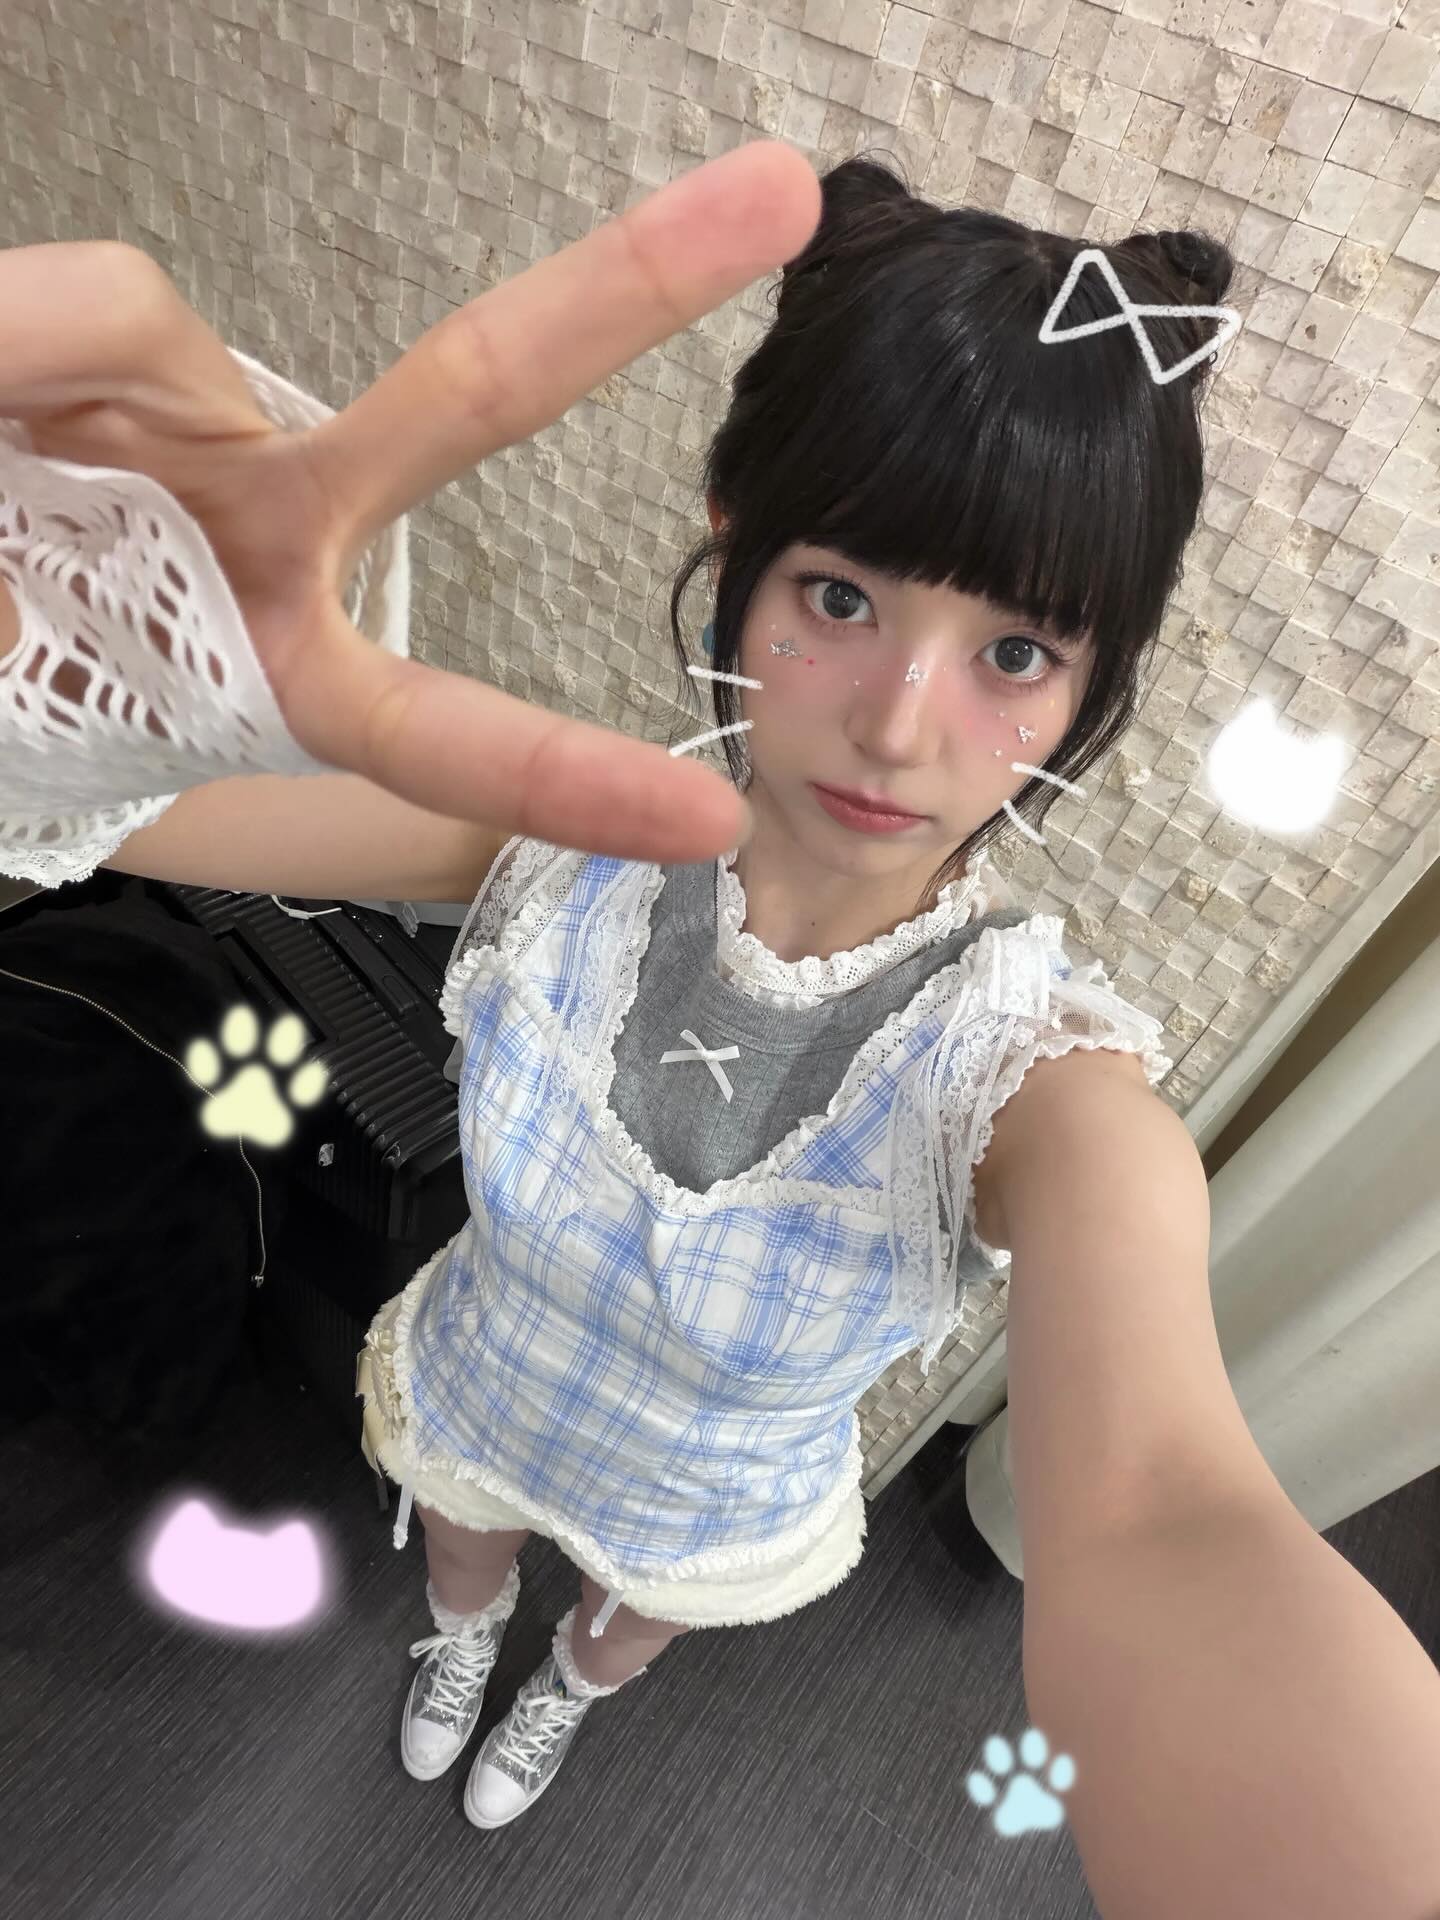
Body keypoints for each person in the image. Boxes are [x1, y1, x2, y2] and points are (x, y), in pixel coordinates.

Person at [2, 144, 1438, 1917]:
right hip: (496, 1378)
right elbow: (127, 820)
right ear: (735, 559)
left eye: (1014, 655)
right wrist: (111, 672)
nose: (898, 726)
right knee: (462, 1542)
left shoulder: (1034, 1086)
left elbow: (1156, 1509)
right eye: (841, 598)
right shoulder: (559, 843)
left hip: (707, 1499)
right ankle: (464, 1641)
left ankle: (562, 1690)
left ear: (1094, 689)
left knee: (625, 1625)